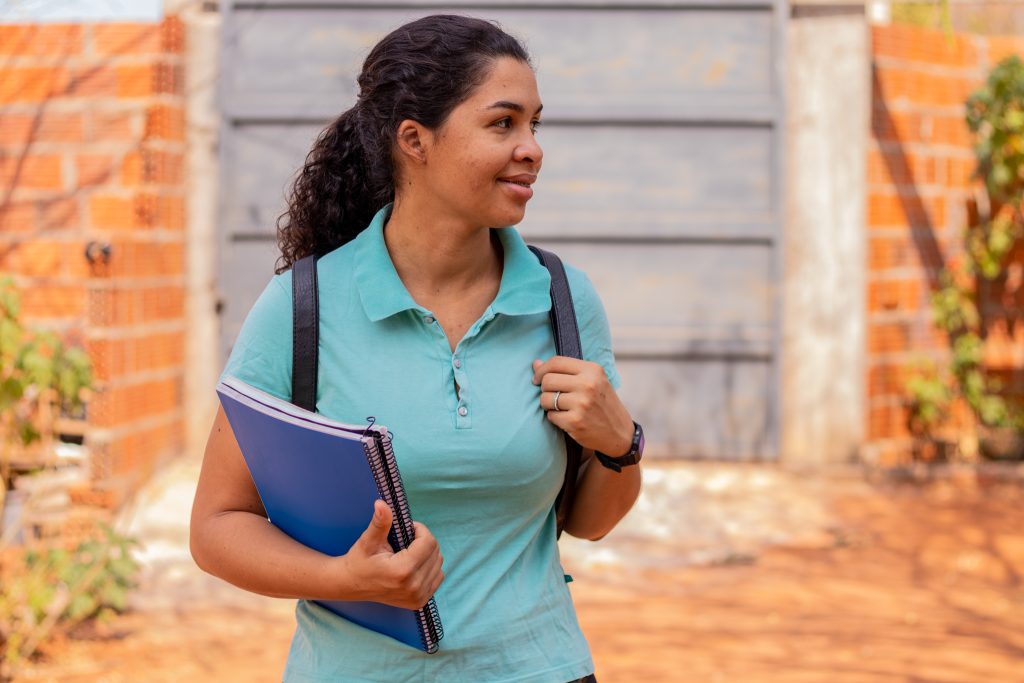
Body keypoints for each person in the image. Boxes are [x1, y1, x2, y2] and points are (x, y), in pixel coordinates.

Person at [190, 14, 643, 683]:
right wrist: (342, 576)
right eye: (502, 122)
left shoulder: (562, 298)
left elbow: (590, 522)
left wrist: (620, 442)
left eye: (534, 124)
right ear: (414, 140)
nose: (532, 148)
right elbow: (216, 526)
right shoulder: (302, 307)